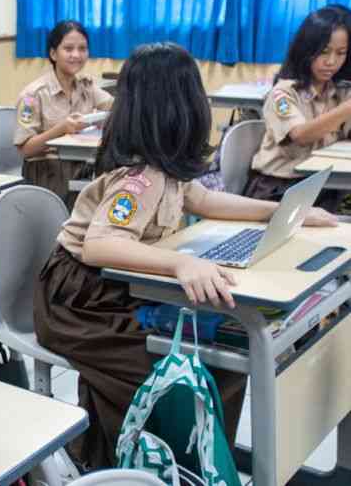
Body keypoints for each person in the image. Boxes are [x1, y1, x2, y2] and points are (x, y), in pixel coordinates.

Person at [33, 42, 338, 470]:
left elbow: (208, 201)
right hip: (79, 301)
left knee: (222, 351)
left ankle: (196, 463)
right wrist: (181, 262)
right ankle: (150, 463)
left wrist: (284, 212)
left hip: (110, 287)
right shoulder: (139, 178)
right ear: (180, 107)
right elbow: (99, 245)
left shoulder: (165, 168)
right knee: (190, 366)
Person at [244, 5, 351, 211]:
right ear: (306, 50)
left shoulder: (338, 91)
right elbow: (300, 135)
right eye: (324, 52)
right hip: (277, 190)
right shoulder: (283, 93)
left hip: (322, 185)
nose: (331, 62)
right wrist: (346, 109)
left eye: (341, 53)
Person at [13, 20, 114, 209]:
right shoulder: (33, 95)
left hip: (82, 166)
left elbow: (115, 107)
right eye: (68, 49)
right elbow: (25, 149)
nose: (76, 55)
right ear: (53, 54)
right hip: (47, 173)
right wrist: (61, 129)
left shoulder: (86, 85)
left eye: (82, 49)